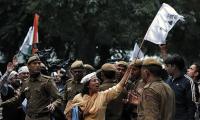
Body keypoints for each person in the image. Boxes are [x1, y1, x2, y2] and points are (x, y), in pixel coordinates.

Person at [0, 55, 62, 120]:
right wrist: (2, 104)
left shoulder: (47, 81)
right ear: (28, 66)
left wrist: (54, 104)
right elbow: (18, 99)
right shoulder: (26, 83)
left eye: (39, 63)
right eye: (35, 63)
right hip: (29, 117)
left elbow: (59, 98)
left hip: (43, 117)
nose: (38, 65)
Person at [64, 64, 132, 120]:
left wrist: (128, 71)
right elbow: (69, 114)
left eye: (98, 80)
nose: (98, 82)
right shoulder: (78, 97)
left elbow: (118, 87)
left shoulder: (103, 96)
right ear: (88, 85)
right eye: (94, 81)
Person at [164, 54, 196, 120]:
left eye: (167, 66)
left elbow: (192, 106)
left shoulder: (188, 82)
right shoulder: (167, 81)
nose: (165, 68)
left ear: (174, 66)